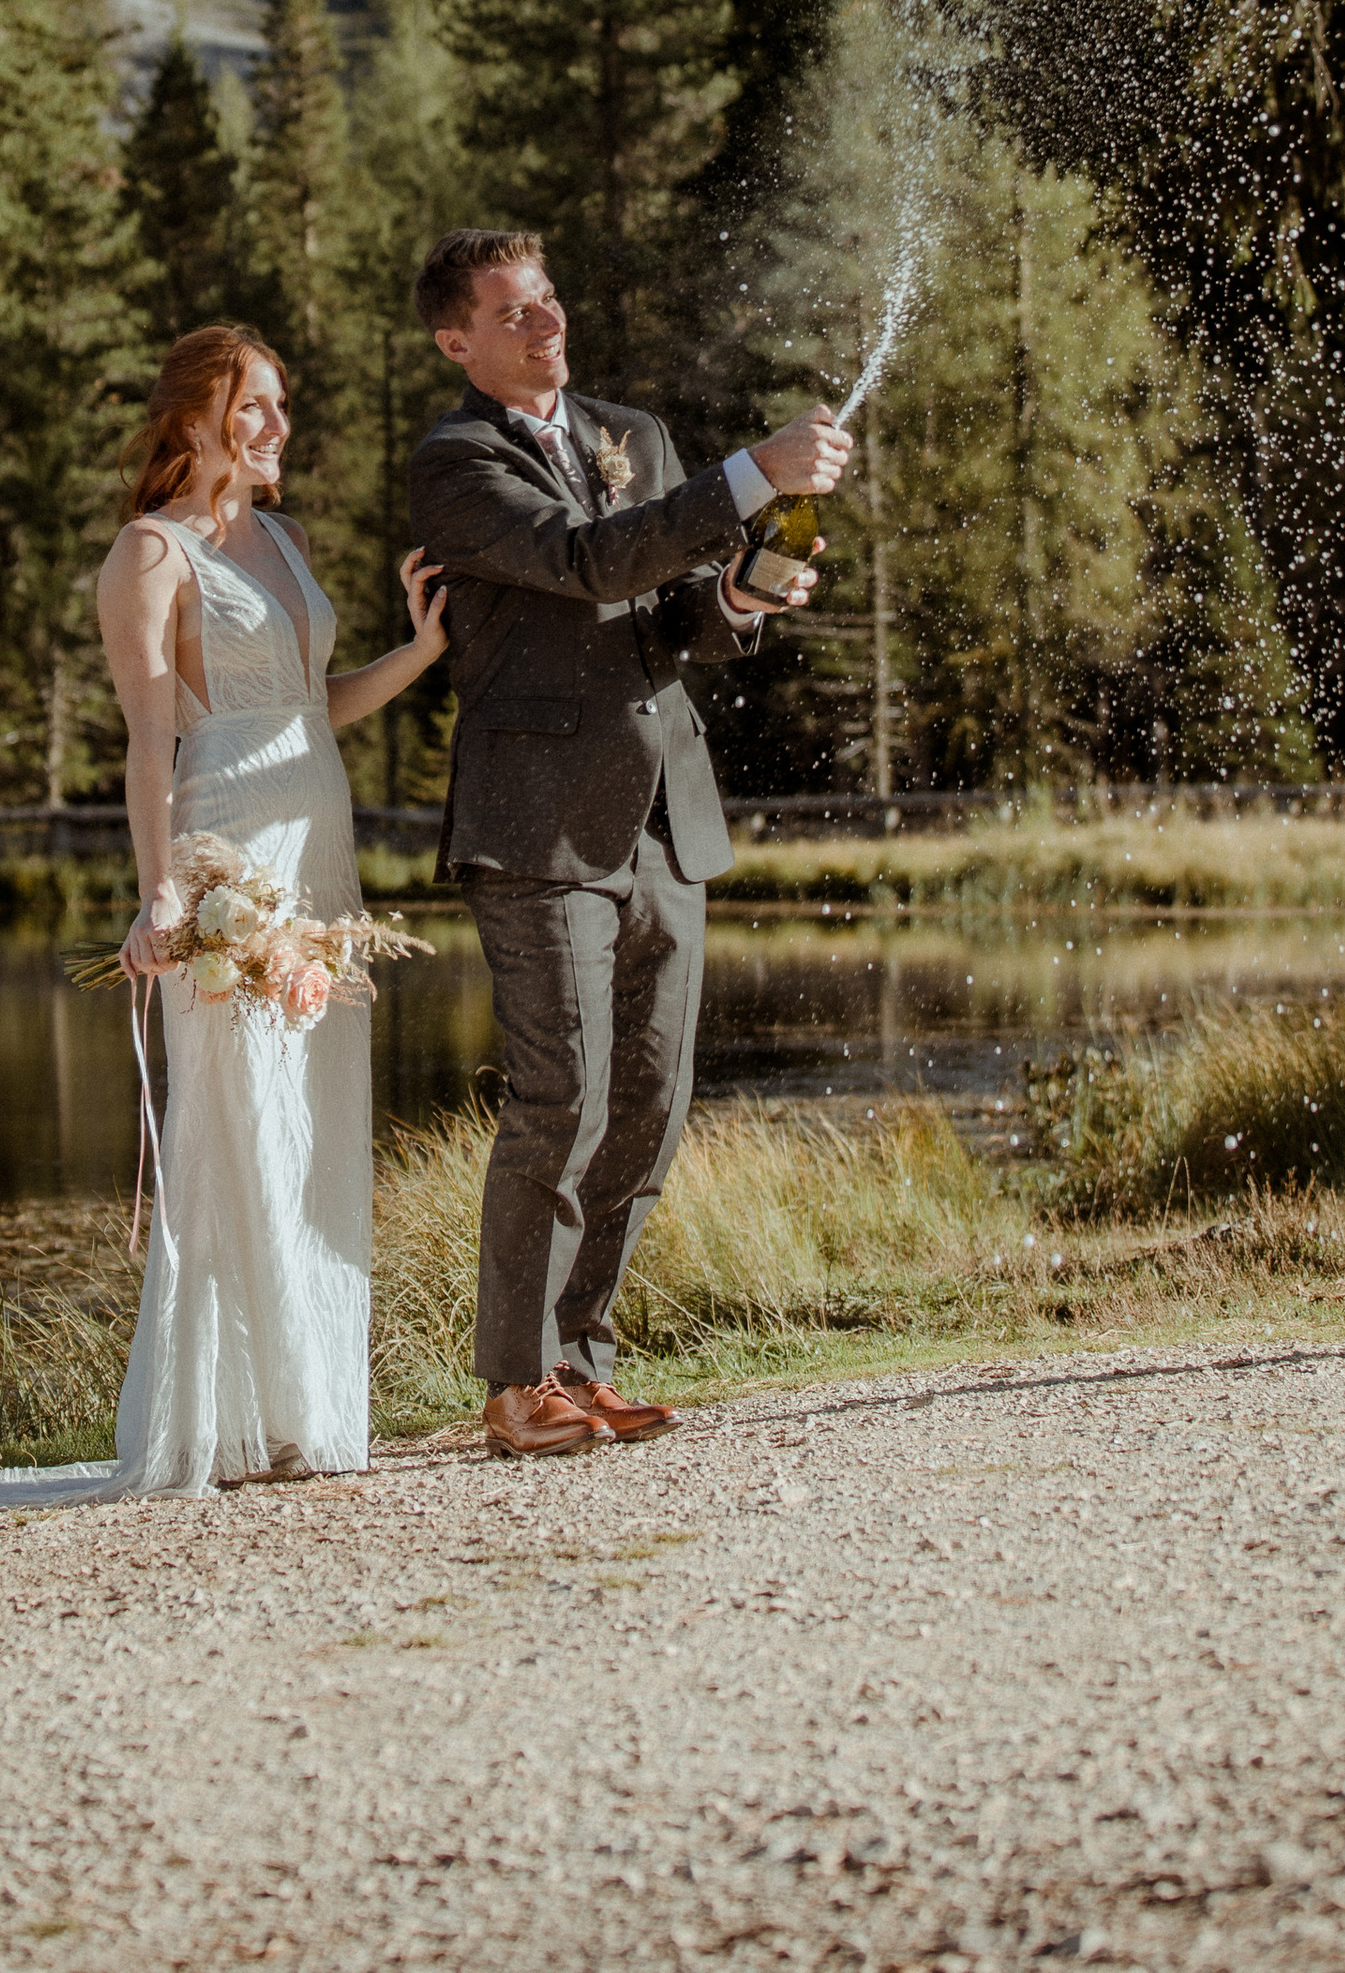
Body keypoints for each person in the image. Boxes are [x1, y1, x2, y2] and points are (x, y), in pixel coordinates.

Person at [404, 227, 853, 1460]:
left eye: (547, 300)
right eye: (512, 313)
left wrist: (737, 597)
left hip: (666, 817)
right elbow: (583, 560)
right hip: (537, 822)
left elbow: (660, 614)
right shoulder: (452, 463)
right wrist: (749, 474)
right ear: (457, 342)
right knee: (563, 1097)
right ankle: (512, 1388)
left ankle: (581, 1364)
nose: (545, 323)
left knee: (651, 1105)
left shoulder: (632, 434)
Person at [97, 323, 444, 1492]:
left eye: (280, 406)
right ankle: (227, 1418)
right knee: (236, 1122)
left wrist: (421, 649)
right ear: (196, 420)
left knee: (310, 1118)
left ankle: (300, 1410)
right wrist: (162, 891)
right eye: (254, 408)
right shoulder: (149, 554)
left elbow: (314, 705)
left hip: (319, 845)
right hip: (225, 850)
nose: (276, 427)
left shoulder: (286, 541)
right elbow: (152, 740)